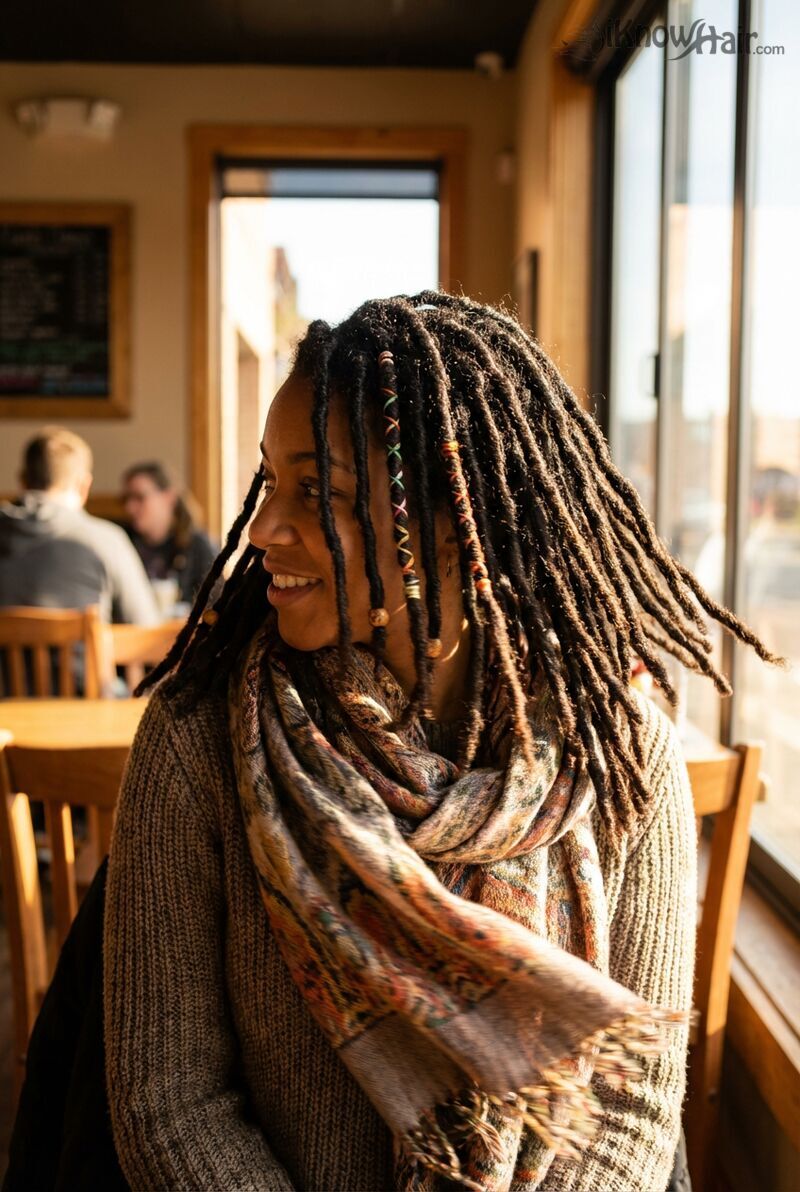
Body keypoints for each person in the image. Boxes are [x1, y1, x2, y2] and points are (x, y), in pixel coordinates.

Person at [102, 293, 782, 1192]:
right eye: (268, 483)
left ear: (451, 526)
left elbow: (632, 1108)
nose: (263, 528)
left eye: (318, 491)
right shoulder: (196, 744)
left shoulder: (619, 753)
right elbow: (169, 1103)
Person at [0, 427, 159, 626]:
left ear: (22, 480)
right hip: (83, 658)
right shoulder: (106, 540)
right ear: (84, 485)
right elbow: (145, 630)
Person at [121, 460, 216, 605]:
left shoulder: (197, 546)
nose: (129, 507)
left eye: (139, 497)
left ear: (168, 497)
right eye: (126, 499)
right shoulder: (122, 541)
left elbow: (215, 603)